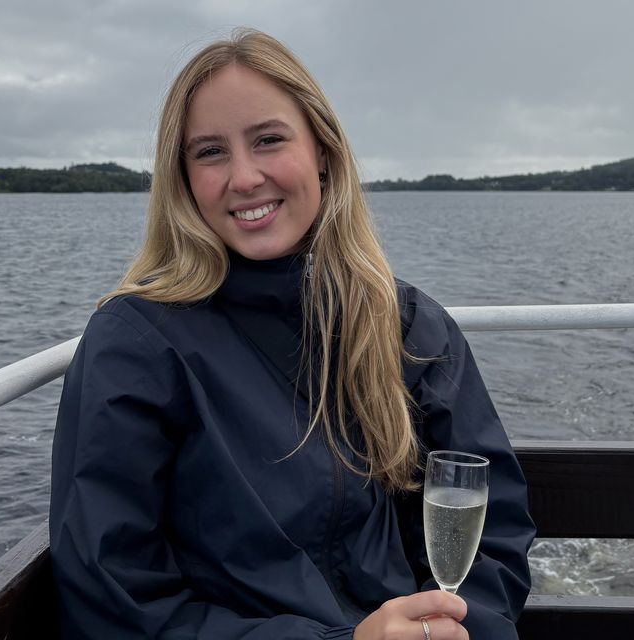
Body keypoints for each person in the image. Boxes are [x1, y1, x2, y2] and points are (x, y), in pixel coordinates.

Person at [49, 28, 534, 640]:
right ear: (182, 179)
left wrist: (460, 630)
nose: (245, 177)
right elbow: (114, 595)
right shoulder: (137, 345)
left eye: (269, 140)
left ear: (323, 152)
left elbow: (493, 528)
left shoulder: (408, 327)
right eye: (210, 152)